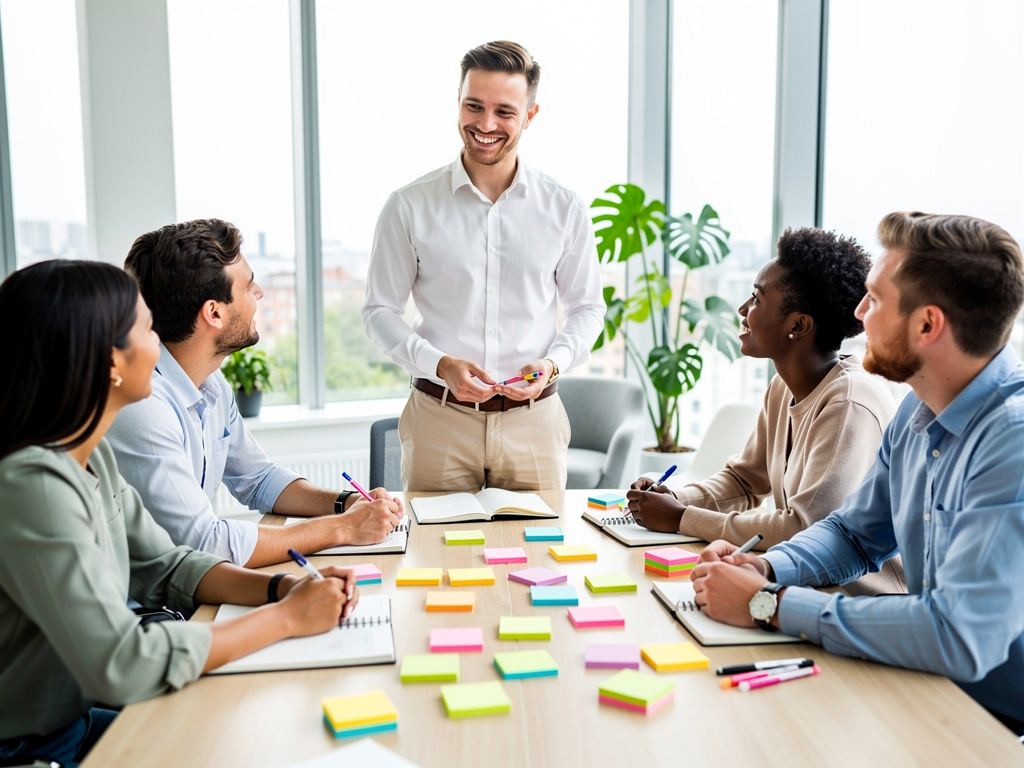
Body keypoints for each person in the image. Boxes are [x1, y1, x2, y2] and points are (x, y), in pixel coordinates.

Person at [0, 260, 359, 767]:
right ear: (110, 363)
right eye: (146, 328)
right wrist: (285, 619)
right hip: (26, 749)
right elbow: (119, 662)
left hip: (71, 724)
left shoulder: (90, 453)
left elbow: (168, 565)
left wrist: (281, 589)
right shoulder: (33, 485)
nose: (160, 345)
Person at [690, 211, 1024, 734]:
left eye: (874, 299)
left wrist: (768, 604)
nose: (859, 313)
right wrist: (769, 568)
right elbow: (854, 533)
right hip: (929, 685)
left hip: (995, 717)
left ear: (927, 324)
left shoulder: (1013, 441)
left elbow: (959, 636)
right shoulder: (918, 412)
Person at [361, 40, 604, 492]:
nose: (486, 124)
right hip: (438, 422)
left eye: (505, 112)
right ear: (458, 104)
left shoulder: (565, 209)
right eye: (474, 106)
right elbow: (379, 312)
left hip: (535, 425)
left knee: (541, 559)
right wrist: (439, 364)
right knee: (437, 561)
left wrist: (552, 364)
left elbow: (588, 309)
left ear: (530, 115)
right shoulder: (408, 206)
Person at [106, 219, 403, 568]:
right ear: (213, 313)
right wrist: (341, 529)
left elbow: (258, 479)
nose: (259, 292)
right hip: (151, 608)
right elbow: (206, 542)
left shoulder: (212, 384)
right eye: (248, 286)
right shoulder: (145, 406)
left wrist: (345, 503)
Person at [627, 227, 904, 595]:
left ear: (798, 325)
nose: (742, 310)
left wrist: (682, 519)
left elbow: (805, 529)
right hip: (801, 590)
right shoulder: (783, 387)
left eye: (756, 299)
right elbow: (743, 480)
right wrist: (675, 499)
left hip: (857, 602)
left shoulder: (848, 403)